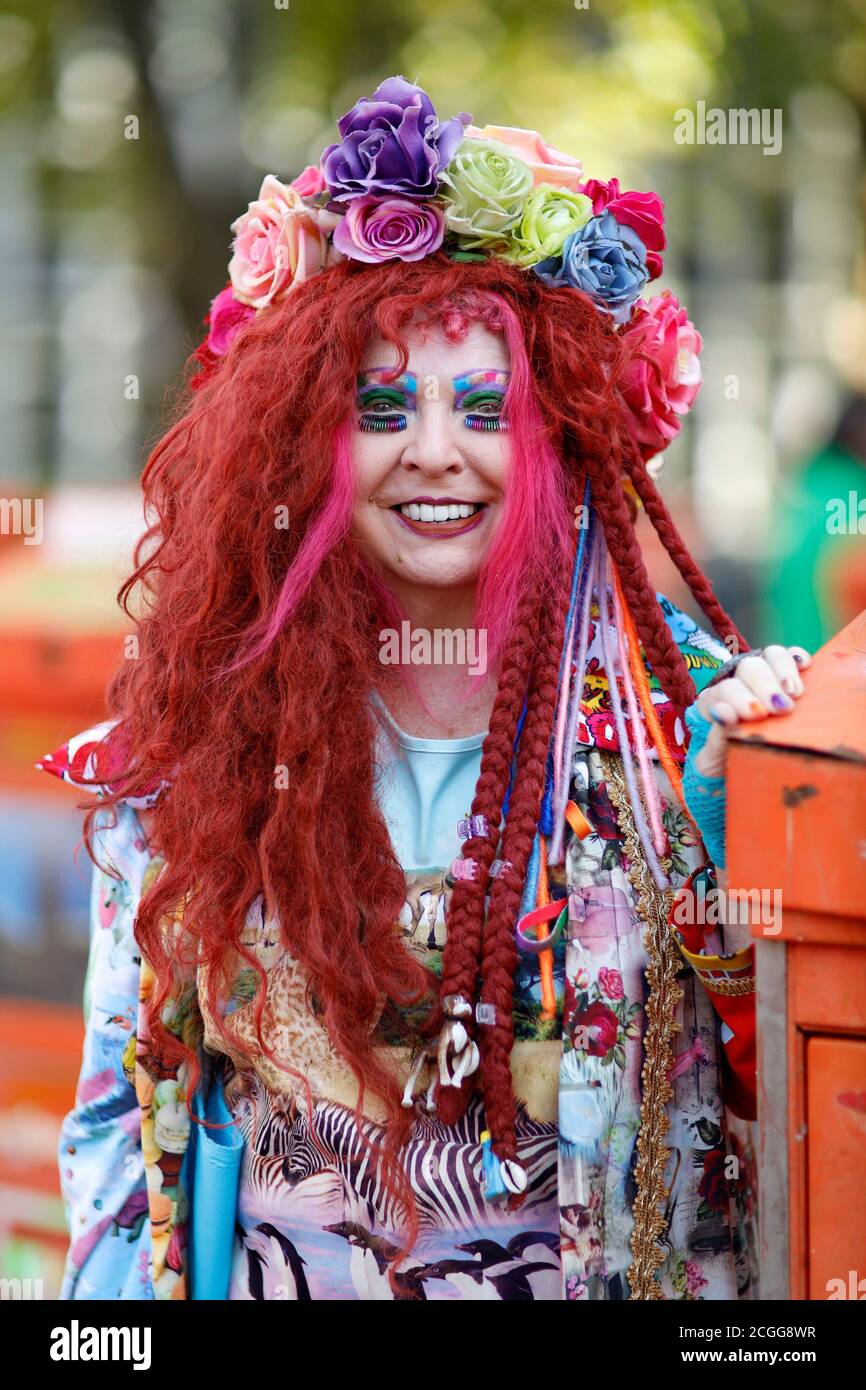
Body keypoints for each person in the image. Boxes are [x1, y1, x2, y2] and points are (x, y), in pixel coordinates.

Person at [42, 77, 810, 1302]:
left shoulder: (691, 729)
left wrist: (749, 809)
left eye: (485, 408)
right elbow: (117, 1139)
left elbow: (798, 1102)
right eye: (381, 406)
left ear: (562, 434)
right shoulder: (200, 746)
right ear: (307, 443)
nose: (434, 452)